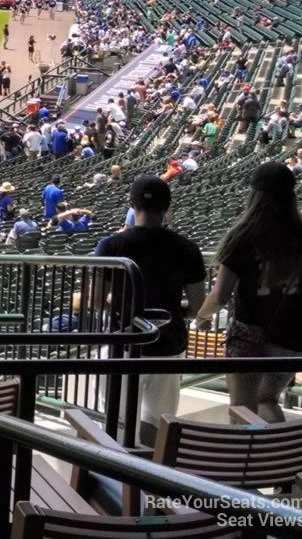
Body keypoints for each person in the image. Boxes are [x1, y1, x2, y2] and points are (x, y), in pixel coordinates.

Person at [196, 162, 302, 422]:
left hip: (248, 336)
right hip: (294, 337)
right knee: (268, 400)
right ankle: (272, 458)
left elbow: (219, 296)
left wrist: (201, 317)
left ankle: (247, 459)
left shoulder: (241, 236)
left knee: (242, 408)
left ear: (254, 195)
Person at [94, 176, 206, 439]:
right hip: (168, 344)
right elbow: (199, 305)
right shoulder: (188, 248)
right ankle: (148, 477)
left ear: (132, 205)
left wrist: (115, 301)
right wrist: (180, 310)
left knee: (116, 426)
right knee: (157, 426)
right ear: (167, 208)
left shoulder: (110, 245)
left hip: (122, 345)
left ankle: (117, 476)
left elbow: (97, 300)